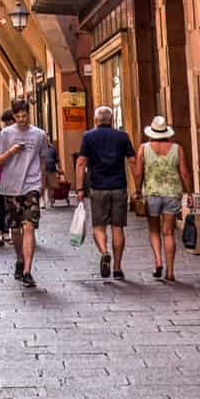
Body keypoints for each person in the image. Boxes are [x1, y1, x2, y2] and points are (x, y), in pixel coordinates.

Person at [73, 106, 137, 280]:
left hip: (98, 188)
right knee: (118, 227)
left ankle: (104, 251)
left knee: (98, 227)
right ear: (112, 120)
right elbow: (133, 161)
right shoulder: (122, 136)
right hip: (119, 187)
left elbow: (80, 163)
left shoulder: (88, 136)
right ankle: (117, 268)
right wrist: (138, 186)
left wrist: (79, 188)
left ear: (96, 121)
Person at [0, 98, 51, 287]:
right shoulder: (6, 134)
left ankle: (27, 270)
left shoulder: (39, 135)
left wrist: (42, 183)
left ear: (29, 113)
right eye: (17, 116)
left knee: (29, 227)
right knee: (16, 229)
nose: (21, 120)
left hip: (31, 186)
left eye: (24, 116)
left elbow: (42, 160)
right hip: (10, 186)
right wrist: (11, 152)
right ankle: (19, 259)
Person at [131, 114, 191, 282]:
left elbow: (138, 173)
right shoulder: (177, 148)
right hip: (172, 194)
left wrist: (137, 190)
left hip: (152, 195)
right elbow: (185, 174)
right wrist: (190, 193)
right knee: (168, 233)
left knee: (154, 230)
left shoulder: (144, 148)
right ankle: (170, 271)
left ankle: (158, 261)